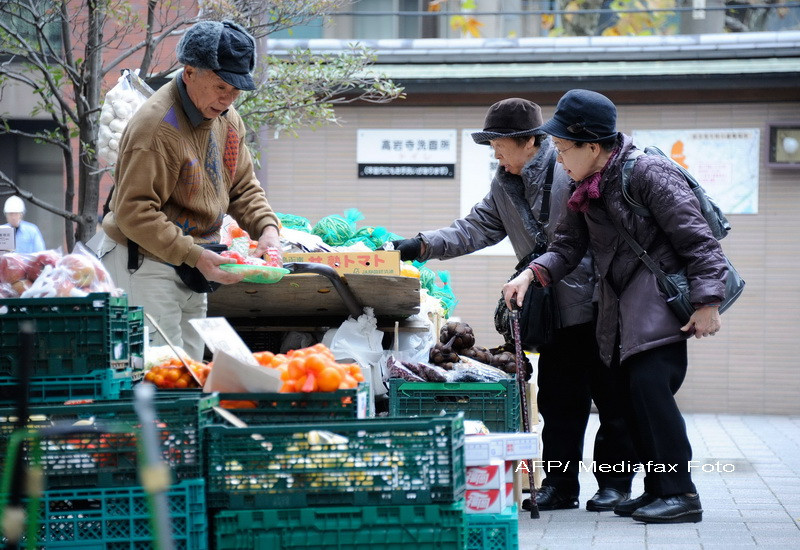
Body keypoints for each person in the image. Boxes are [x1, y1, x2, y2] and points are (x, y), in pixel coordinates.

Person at [390, 97, 637, 512]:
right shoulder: (504, 184)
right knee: (558, 404)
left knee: (613, 401)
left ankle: (615, 485)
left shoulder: (569, 170)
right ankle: (560, 485)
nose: (495, 153)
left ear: (528, 142)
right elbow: (474, 228)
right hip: (553, 312)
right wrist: (421, 244)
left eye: (499, 143)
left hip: (601, 306)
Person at [504, 89, 728, 524]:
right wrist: (532, 273)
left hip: (659, 304)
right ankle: (655, 490)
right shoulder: (583, 186)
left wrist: (708, 302)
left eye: (564, 147)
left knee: (650, 394)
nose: (559, 156)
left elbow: (699, 241)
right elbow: (567, 245)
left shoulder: (649, 172)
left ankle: (680, 493)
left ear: (592, 145)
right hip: (623, 306)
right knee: (631, 399)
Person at [98, 20, 281, 361]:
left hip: (192, 262)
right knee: (157, 374)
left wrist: (267, 229)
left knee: (190, 370)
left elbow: (242, 186)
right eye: (221, 87)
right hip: (144, 263)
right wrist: (196, 256)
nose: (227, 101)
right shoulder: (156, 127)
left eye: (236, 91)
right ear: (189, 72)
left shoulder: (227, 119)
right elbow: (133, 211)